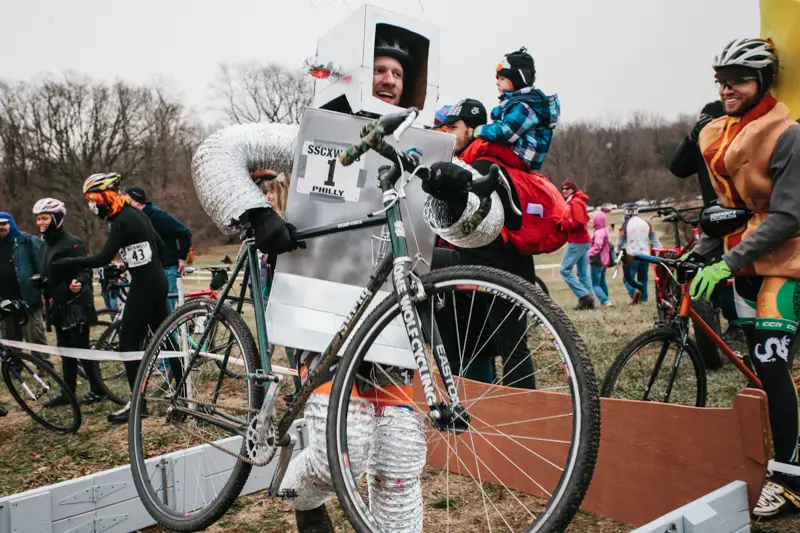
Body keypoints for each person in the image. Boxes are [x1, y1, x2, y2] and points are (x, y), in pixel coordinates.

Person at [688, 37, 800, 518]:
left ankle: (790, 479)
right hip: (745, 265)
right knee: (764, 369)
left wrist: (727, 263)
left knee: (774, 368)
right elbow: (737, 213)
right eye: (721, 80)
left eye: (738, 80)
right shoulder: (719, 132)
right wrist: (700, 253)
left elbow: (789, 215)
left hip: (788, 265)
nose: (726, 88)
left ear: (763, 81)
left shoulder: (787, 132)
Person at [432, 98, 540, 386]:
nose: (448, 133)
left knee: (513, 350)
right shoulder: (495, 157)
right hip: (499, 266)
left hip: (500, 268)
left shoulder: (483, 164)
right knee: (506, 346)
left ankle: (527, 409)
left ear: (473, 129)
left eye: (454, 127)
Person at [52, 173, 175, 424]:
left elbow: (100, 259)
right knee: (165, 338)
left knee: (129, 344)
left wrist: (66, 263)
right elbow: (159, 246)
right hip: (155, 281)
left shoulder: (121, 220)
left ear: (106, 197)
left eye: (93, 200)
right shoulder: (134, 213)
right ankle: (181, 393)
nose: (91, 206)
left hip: (145, 286)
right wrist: (132, 264)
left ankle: (138, 406)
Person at [668, 101, 744, 342]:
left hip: (745, 212)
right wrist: (692, 137)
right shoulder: (704, 144)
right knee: (715, 274)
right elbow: (678, 168)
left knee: (746, 271)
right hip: (716, 216)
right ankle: (735, 323)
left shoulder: (741, 139)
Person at [32, 198, 106, 406]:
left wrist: (79, 283)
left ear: (56, 218)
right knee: (65, 351)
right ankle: (68, 393)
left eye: (45, 218)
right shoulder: (44, 245)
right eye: (38, 219)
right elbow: (52, 271)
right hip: (59, 304)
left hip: (77, 304)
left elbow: (84, 269)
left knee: (80, 349)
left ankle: (98, 389)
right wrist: (42, 282)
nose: (41, 223)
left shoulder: (72, 242)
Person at [472, 46, 560, 171]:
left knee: (480, 145)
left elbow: (507, 133)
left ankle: (462, 165)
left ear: (518, 80)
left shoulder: (524, 105)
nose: (497, 83)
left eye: (502, 79)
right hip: (519, 153)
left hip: (520, 156)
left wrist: (479, 131)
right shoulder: (521, 102)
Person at [123, 186, 192, 313]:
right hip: (150, 271)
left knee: (166, 315)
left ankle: (173, 333)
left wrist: (182, 258)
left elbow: (185, 233)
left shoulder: (158, 217)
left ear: (136, 201)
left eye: (127, 200)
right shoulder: (135, 219)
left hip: (167, 269)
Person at [0, 211, 48, 357]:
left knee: (36, 340)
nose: (1, 227)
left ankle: (45, 370)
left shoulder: (27, 241)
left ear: (11, 224)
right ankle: (14, 372)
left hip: (29, 300)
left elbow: (43, 268)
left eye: (4, 224)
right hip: (5, 304)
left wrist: (44, 291)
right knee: (10, 343)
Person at [559, 178, 595, 310]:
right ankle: (590, 302)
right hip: (584, 241)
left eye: (567, 188)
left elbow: (579, 222)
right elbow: (585, 219)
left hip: (577, 241)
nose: (564, 191)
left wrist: (564, 225)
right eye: (563, 188)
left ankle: (584, 297)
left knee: (564, 269)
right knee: (583, 273)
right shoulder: (578, 201)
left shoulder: (574, 202)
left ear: (573, 189)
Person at [617, 204, 661, 304]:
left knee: (627, 279)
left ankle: (634, 292)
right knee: (643, 278)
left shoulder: (625, 225)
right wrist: (659, 252)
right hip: (645, 254)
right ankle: (643, 299)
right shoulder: (647, 223)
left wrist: (616, 253)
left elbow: (620, 242)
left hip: (631, 255)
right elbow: (655, 240)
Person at [589, 209, 613, 308]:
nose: (591, 221)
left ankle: (605, 300)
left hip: (597, 261)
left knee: (595, 284)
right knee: (602, 282)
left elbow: (597, 246)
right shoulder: (603, 231)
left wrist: (588, 254)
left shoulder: (598, 233)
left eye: (593, 219)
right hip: (604, 261)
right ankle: (606, 301)